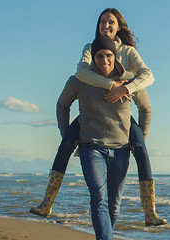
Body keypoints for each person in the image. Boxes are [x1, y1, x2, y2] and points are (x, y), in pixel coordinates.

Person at [29, 8, 166, 226]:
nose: (106, 26)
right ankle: (47, 203)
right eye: (102, 22)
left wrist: (127, 89)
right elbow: (82, 72)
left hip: (121, 117)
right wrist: (111, 85)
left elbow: (148, 75)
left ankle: (150, 212)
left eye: (111, 22)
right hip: (92, 112)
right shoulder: (89, 47)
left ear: (119, 26)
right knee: (66, 143)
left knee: (141, 147)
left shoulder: (128, 52)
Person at [58, 35, 146, 239]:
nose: (104, 60)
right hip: (91, 147)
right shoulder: (79, 81)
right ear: (93, 58)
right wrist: (67, 135)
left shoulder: (129, 81)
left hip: (122, 149)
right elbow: (62, 104)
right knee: (98, 198)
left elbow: (146, 108)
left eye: (108, 55)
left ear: (115, 57)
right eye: (99, 56)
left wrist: (140, 139)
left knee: (114, 203)